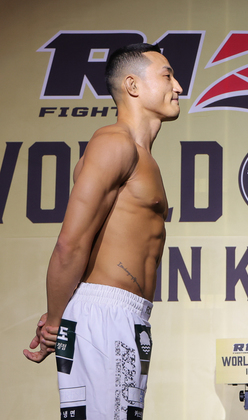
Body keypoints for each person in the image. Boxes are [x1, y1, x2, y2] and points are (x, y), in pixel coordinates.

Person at [23, 43, 182, 419]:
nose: (178, 87)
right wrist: (56, 322)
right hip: (104, 313)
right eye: (167, 76)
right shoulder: (114, 143)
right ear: (132, 85)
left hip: (127, 315)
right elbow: (71, 243)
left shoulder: (143, 156)